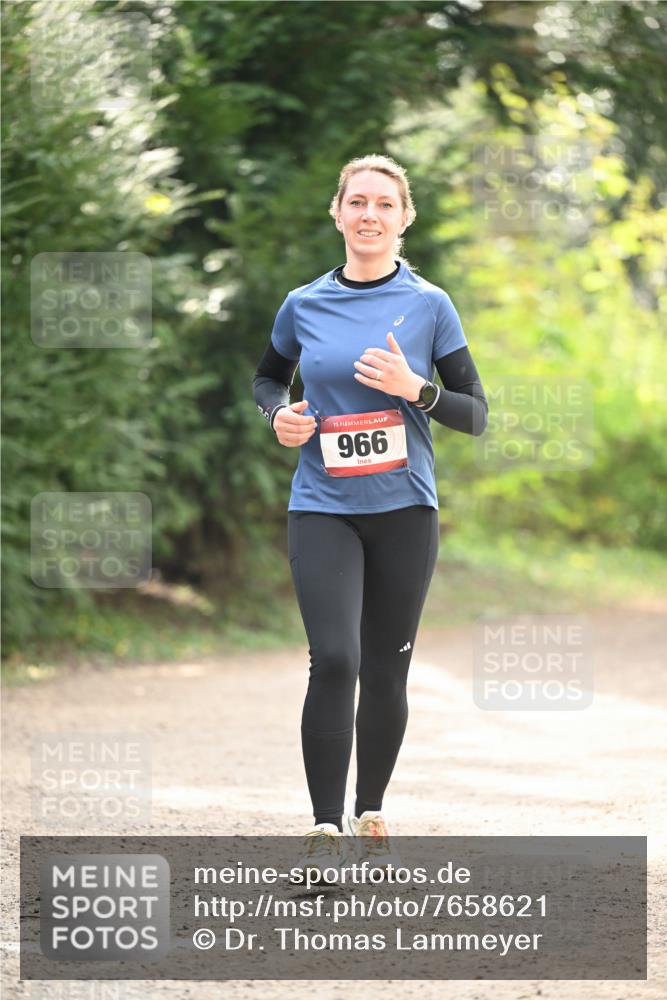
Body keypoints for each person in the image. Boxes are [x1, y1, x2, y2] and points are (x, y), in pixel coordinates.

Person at [252, 153, 488, 878]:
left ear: (402, 218)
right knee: (337, 658)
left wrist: (414, 388)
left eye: (384, 204)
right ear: (337, 212)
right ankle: (325, 829)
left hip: (403, 512)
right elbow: (268, 378)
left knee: (385, 671)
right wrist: (279, 416)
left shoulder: (429, 304)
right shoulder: (303, 303)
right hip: (322, 505)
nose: (369, 215)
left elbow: (474, 415)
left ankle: (370, 809)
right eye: (357, 201)